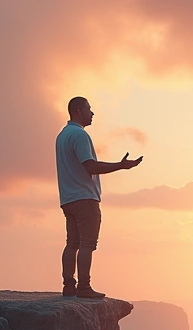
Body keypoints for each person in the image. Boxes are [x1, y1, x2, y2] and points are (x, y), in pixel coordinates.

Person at [55, 96, 143, 298]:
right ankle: (84, 287)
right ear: (78, 110)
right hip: (84, 198)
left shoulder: (62, 136)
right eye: (89, 109)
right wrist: (120, 166)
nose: (92, 113)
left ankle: (69, 285)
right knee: (87, 244)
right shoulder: (79, 135)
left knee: (72, 243)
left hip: (68, 198)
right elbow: (90, 166)